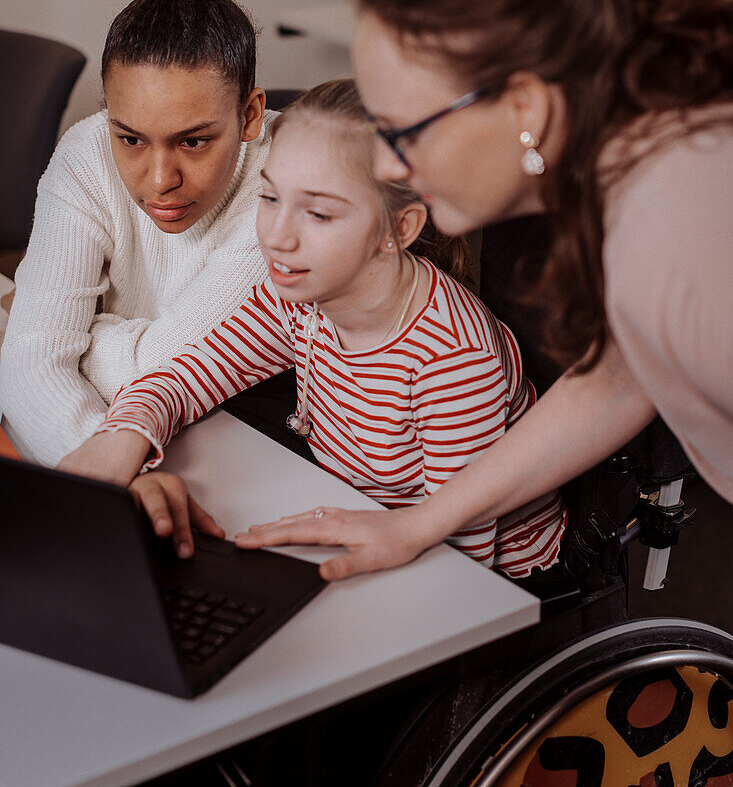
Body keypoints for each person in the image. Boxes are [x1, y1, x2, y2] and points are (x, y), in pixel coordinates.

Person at [238, 0, 733, 580]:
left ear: (524, 106)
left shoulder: (672, 250)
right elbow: (621, 375)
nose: (386, 166)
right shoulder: (623, 157)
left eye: (403, 130)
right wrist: (415, 526)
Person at [74, 78, 567, 578]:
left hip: (491, 581)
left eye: (318, 212)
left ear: (401, 229)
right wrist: (121, 437)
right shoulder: (300, 297)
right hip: (359, 516)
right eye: (269, 198)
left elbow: (463, 566)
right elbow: (184, 376)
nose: (278, 237)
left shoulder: (452, 360)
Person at [0, 0, 275, 477]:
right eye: (130, 138)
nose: (158, 180)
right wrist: (115, 485)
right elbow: (27, 367)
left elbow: (166, 371)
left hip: (240, 441)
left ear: (250, 116)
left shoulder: (287, 187)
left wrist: (48, 332)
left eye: (194, 142)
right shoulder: (87, 152)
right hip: (137, 447)